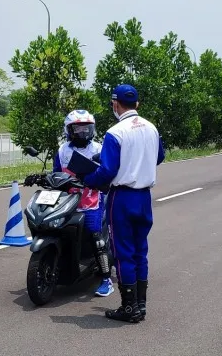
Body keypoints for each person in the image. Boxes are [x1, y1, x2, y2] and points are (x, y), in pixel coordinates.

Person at [83, 84, 165, 323]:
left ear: (115, 104)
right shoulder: (152, 128)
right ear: (137, 104)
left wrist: (88, 179)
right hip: (144, 198)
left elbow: (107, 171)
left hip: (122, 197)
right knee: (141, 251)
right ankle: (140, 305)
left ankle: (128, 308)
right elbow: (159, 156)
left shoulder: (115, 132)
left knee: (123, 254)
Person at [53, 109, 114, 297]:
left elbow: (107, 173)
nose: (82, 133)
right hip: (66, 200)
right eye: (77, 130)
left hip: (91, 200)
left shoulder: (98, 149)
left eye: (86, 129)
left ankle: (106, 279)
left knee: (95, 236)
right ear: (68, 131)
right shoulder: (62, 150)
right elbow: (56, 172)